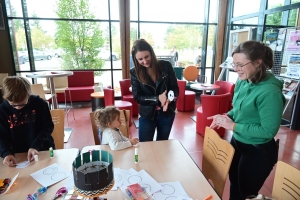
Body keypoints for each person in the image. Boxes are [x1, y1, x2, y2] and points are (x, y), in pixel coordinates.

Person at [208, 40, 285, 200]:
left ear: (258, 63)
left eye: (240, 65)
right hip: (238, 142)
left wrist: (233, 126)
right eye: (234, 64)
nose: (236, 69)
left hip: (258, 151)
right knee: (235, 185)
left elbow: (268, 131)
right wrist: (226, 116)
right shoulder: (244, 80)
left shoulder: (270, 92)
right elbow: (238, 110)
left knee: (246, 194)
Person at [130, 39, 179, 142]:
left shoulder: (166, 66)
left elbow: (174, 89)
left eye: (147, 56)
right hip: (147, 115)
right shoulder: (134, 72)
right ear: (135, 59)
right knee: (145, 146)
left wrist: (169, 99)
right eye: (140, 59)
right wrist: (158, 98)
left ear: (151, 53)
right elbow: (137, 96)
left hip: (167, 113)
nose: (144, 61)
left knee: (162, 144)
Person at [0, 76, 55, 167]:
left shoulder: (40, 104)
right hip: (17, 156)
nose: (18, 107)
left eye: (22, 103)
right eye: (13, 105)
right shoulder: (2, 111)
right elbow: (2, 137)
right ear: (6, 98)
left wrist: (35, 146)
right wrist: (6, 153)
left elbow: (47, 127)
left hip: (41, 151)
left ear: (28, 94)